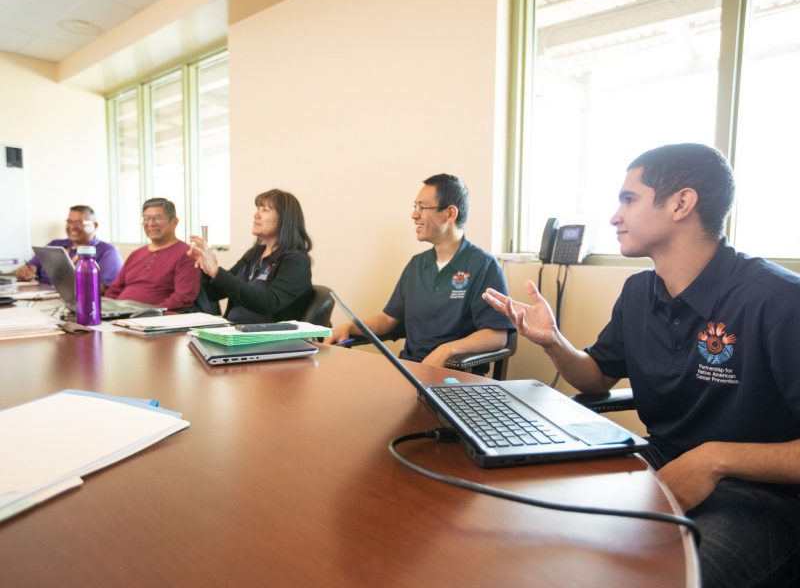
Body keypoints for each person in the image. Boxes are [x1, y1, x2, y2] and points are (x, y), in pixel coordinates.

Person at [483, 143, 800, 586]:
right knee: (534, 526)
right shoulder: (637, 293)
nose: (615, 216)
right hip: (660, 463)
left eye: (628, 199)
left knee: (670, 577)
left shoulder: (779, 301)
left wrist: (714, 459)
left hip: (761, 495)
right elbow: (594, 376)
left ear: (681, 203)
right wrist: (553, 341)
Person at [326, 173, 514, 368]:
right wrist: (350, 326)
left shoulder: (483, 265)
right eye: (415, 207)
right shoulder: (417, 264)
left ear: (450, 214)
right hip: (411, 370)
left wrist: (447, 350)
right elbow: (388, 319)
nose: (414, 215)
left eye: (422, 207)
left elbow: (497, 335)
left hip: (457, 377)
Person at [187, 189, 314, 323]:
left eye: (265, 210)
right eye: (257, 209)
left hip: (266, 338)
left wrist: (217, 272)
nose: (256, 214)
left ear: (285, 219)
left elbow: (270, 302)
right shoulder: (254, 254)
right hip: (233, 332)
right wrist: (207, 268)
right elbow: (214, 293)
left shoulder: (297, 260)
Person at [105, 197, 200, 310]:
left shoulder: (187, 254)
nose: (151, 223)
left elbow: (183, 297)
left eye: (157, 218)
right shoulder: (136, 254)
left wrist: (150, 313)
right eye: (146, 218)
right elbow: (114, 290)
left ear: (175, 222)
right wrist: (110, 309)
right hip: (120, 316)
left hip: (154, 319)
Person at [16, 205, 123, 291]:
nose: (72, 227)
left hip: (78, 302)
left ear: (95, 225)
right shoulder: (55, 244)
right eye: (69, 222)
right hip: (39, 297)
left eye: (79, 222)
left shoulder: (107, 251)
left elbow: (104, 288)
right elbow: (28, 268)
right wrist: (24, 272)